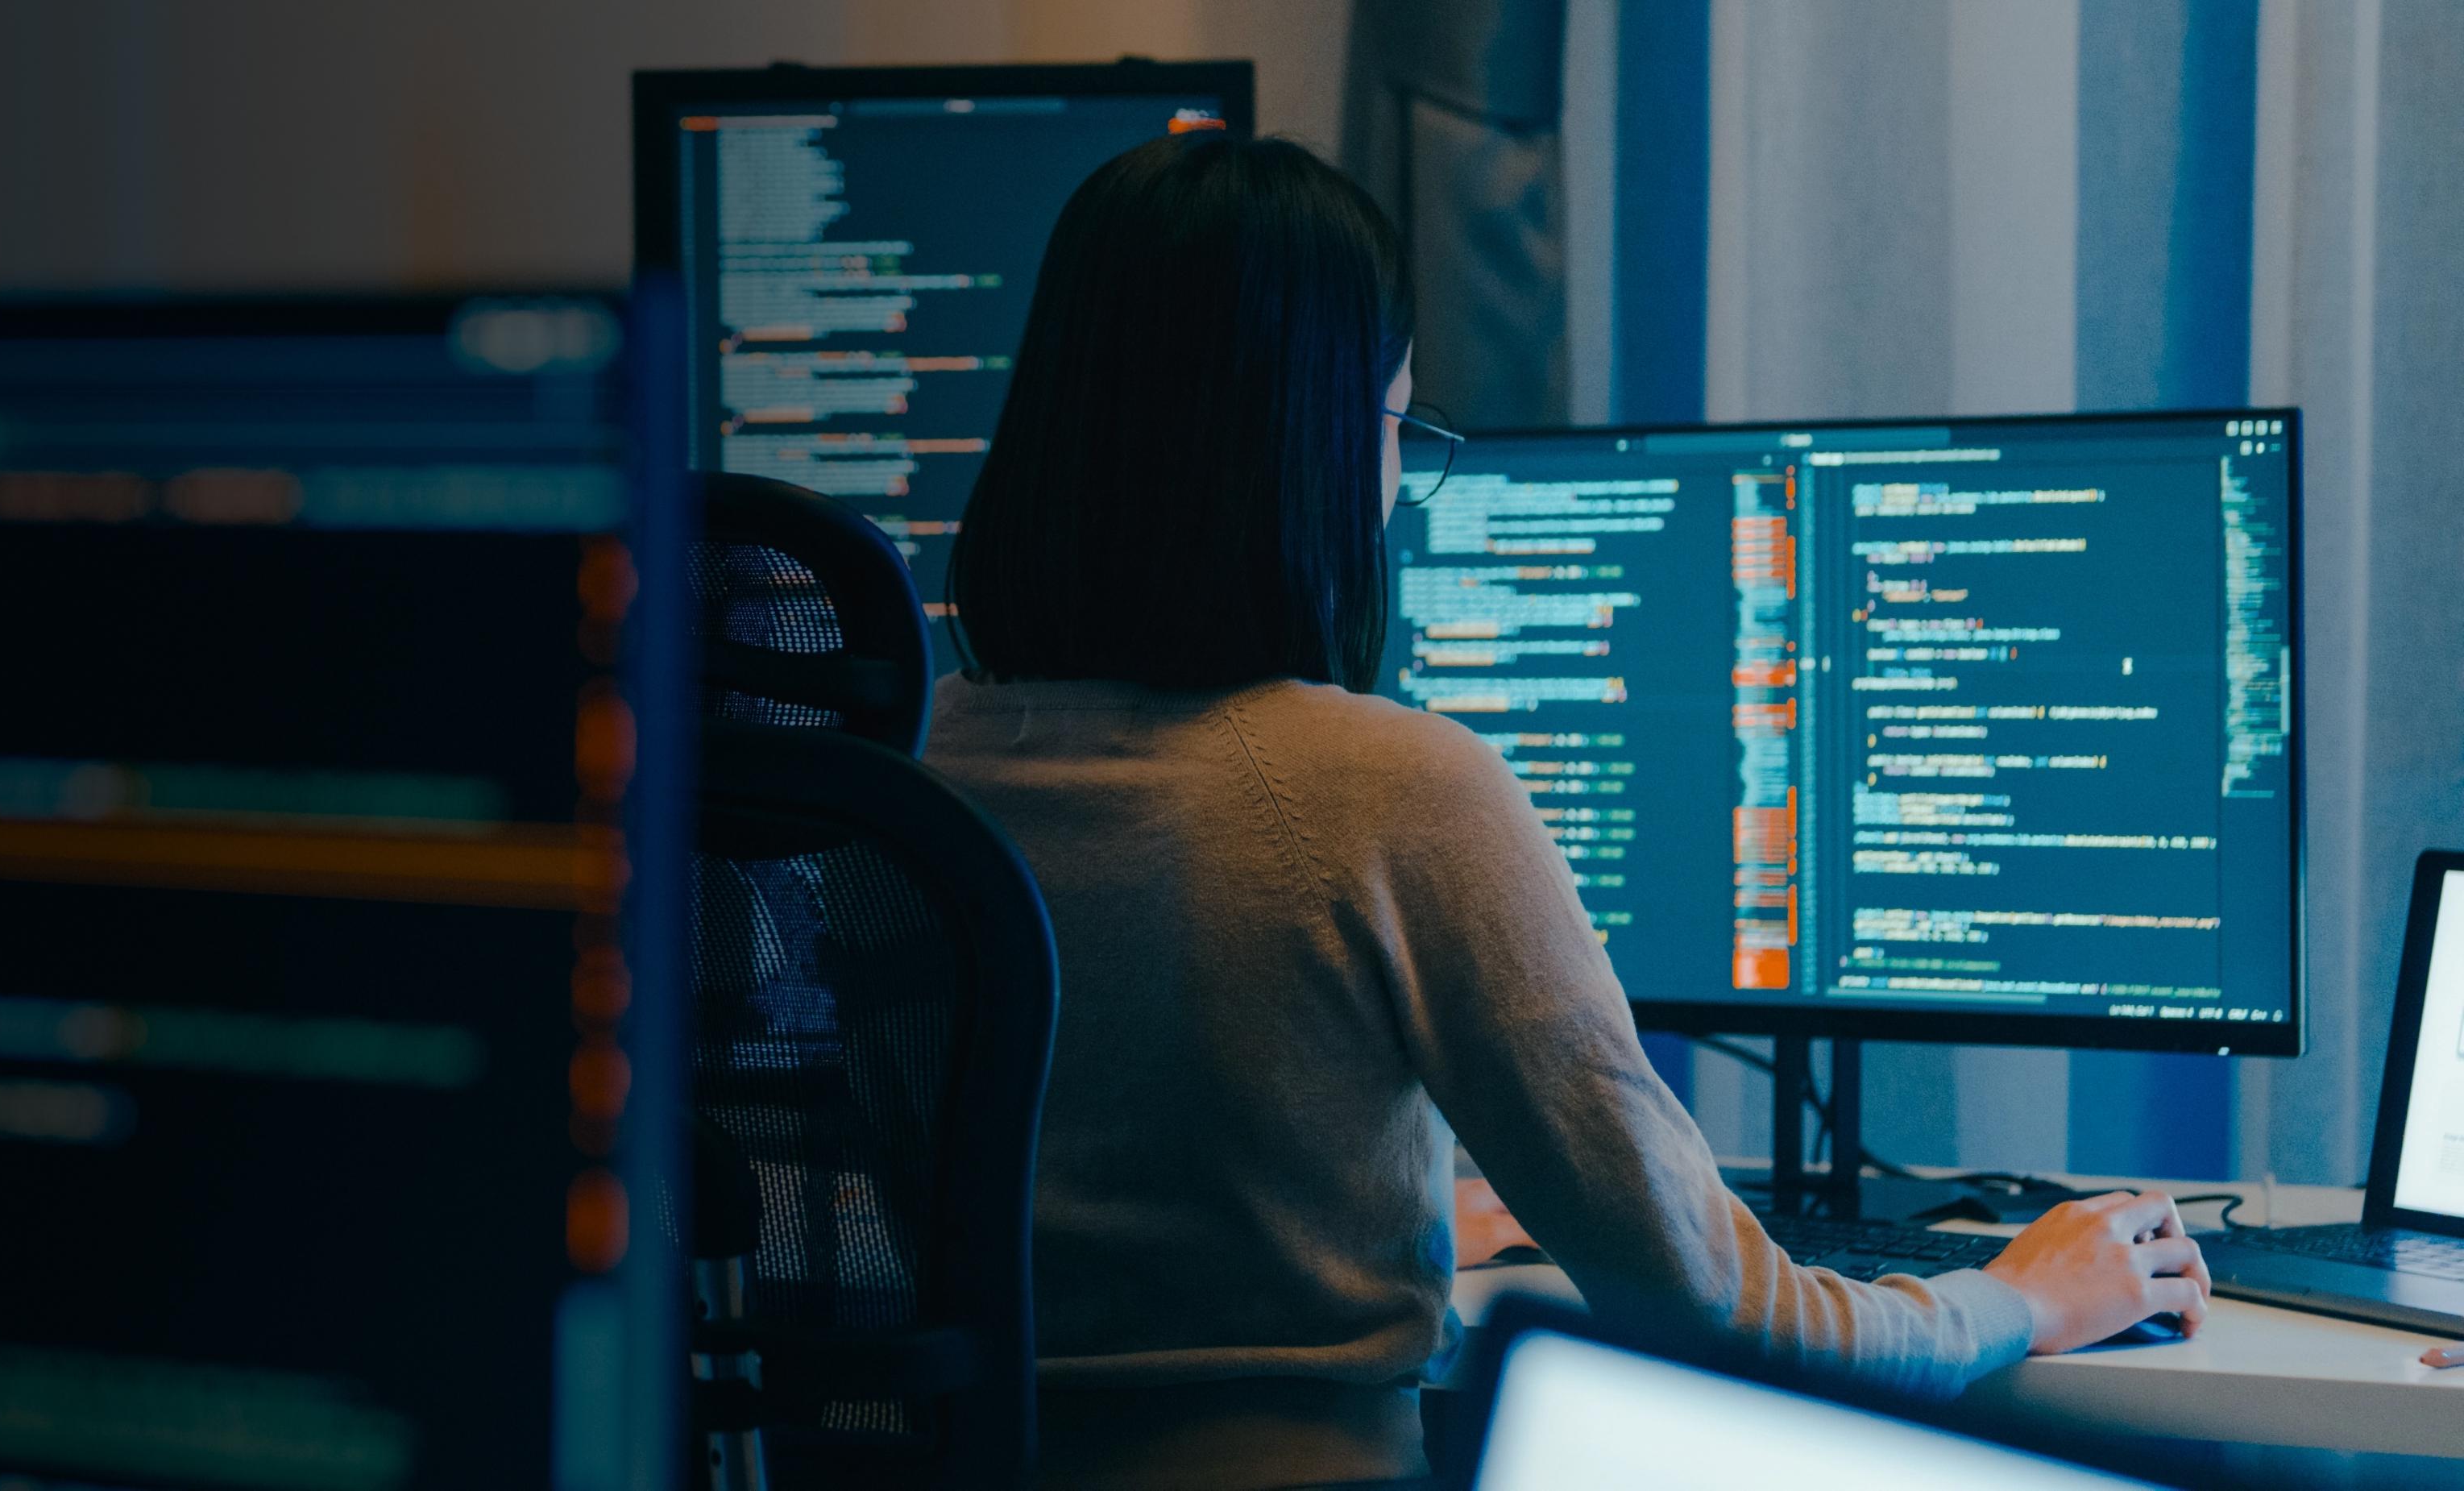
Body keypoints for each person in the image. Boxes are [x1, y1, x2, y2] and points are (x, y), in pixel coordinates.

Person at [928, 131, 2209, 1489]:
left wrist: (1410, 1215)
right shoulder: (1390, 788)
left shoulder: (898, 780)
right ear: (1310, 448)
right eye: (1392, 425)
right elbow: (1729, 1321)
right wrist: (2024, 1296)